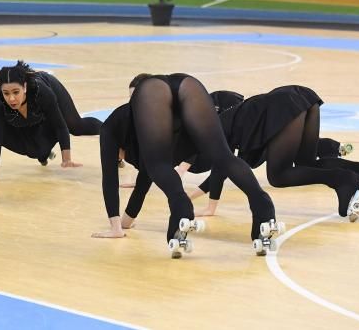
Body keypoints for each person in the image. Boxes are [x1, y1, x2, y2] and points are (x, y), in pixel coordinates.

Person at [92, 74, 281, 256]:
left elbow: (109, 179)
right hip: (188, 83)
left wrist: (115, 228)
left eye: (119, 160)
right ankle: (263, 205)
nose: (120, 161)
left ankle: (182, 209)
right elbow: (142, 185)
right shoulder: (143, 137)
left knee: (159, 164)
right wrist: (124, 223)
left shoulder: (109, 129)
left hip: (153, 91)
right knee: (223, 156)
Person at [188, 85, 359, 221]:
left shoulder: (212, 128)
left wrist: (207, 205)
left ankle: (345, 180)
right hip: (303, 98)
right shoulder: (231, 118)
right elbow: (224, 169)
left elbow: (221, 167)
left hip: (285, 105)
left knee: (279, 176)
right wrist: (197, 200)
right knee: (305, 164)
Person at [0, 62, 101, 180]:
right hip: (31, 114)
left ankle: (110, 129)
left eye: (16, 92)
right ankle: (44, 152)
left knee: (76, 126)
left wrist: (66, 159)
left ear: (24, 87)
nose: (11, 98)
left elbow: (60, 125)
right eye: (6, 93)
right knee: (36, 151)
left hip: (50, 88)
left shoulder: (40, 91)